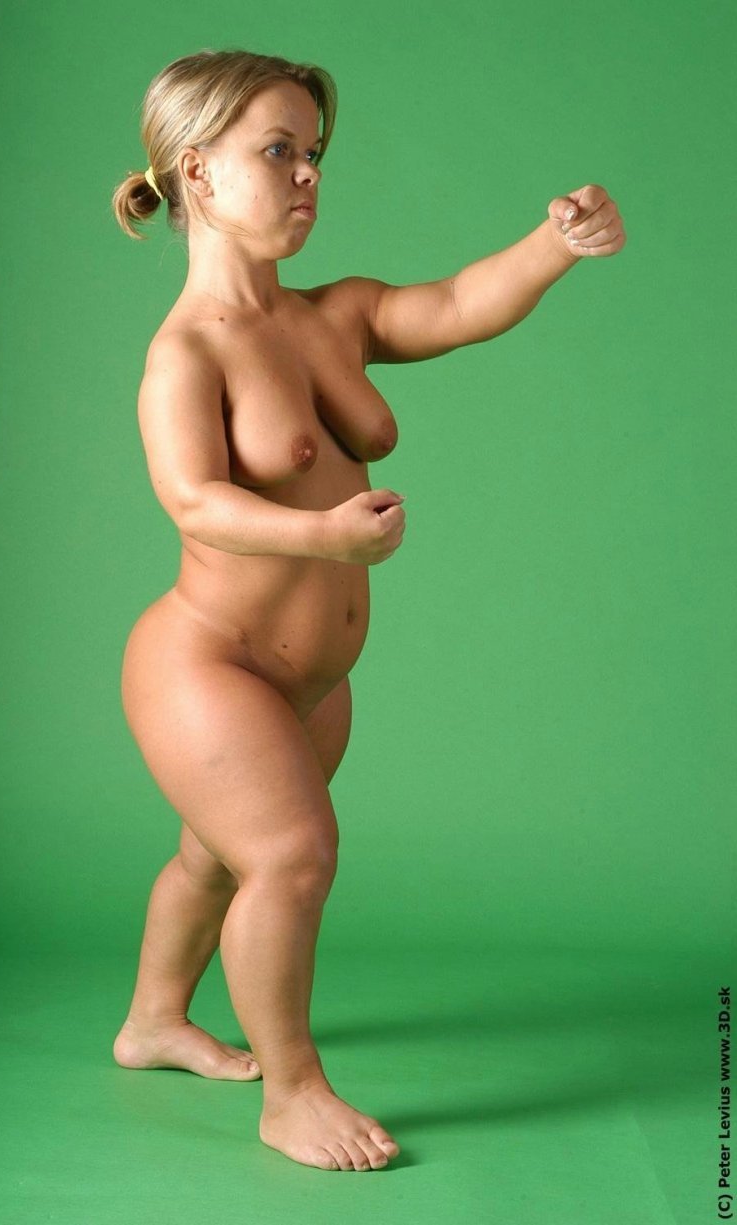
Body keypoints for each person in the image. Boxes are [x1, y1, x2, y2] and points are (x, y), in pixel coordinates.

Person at [109, 48, 626, 1173]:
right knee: (291, 856)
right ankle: (292, 1092)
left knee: (216, 856)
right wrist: (324, 537)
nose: (308, 175)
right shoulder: (184, 353)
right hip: (206, 663)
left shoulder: (332, 316)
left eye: (314, 154)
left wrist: (555, 243)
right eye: (278, 151)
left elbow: (456, 305)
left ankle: (152, 1021)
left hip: (307, 674)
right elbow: (193, 499)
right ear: (197, 172)